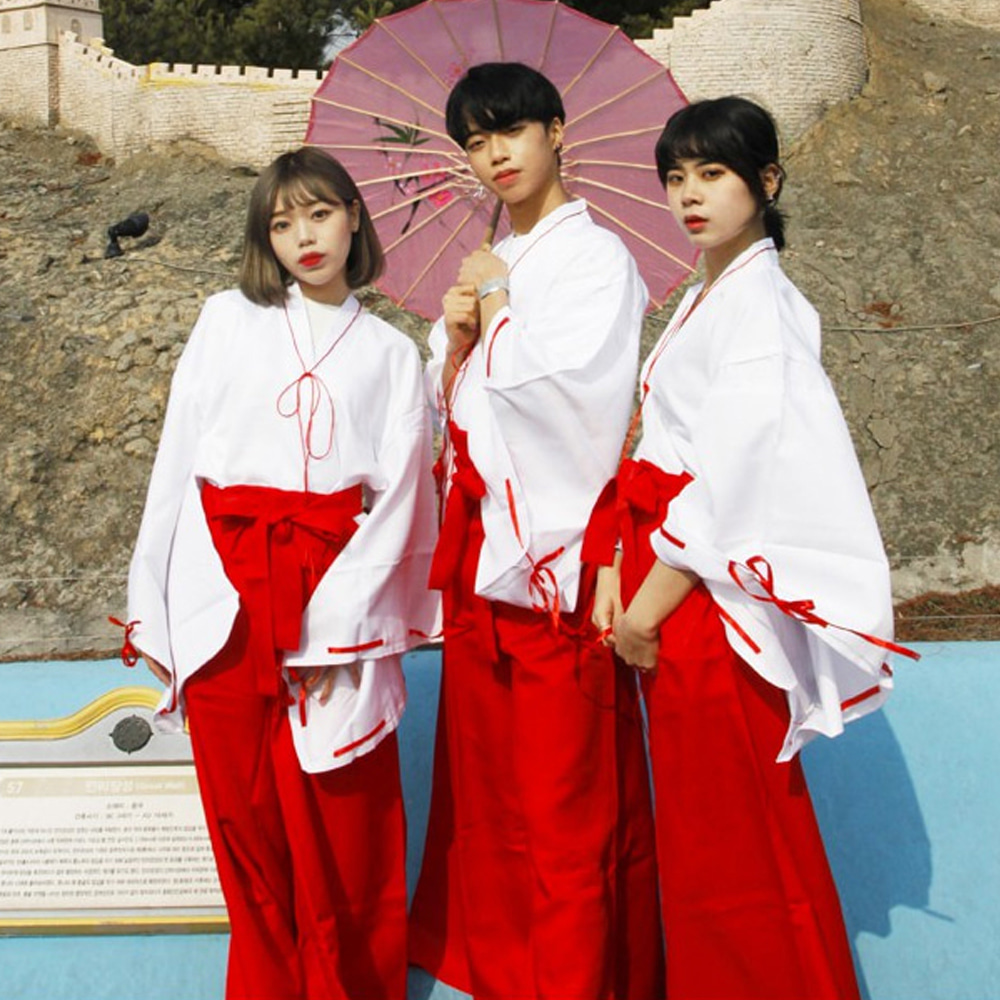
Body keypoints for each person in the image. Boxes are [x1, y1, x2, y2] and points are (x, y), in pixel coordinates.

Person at [598, 96, 917, 1000]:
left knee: (735, 830)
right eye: (676, 177)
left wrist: (645, 610)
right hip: (668, 570)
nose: (689, 195)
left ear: (766, 180)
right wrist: (621, 568)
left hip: (702, 596)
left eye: (714, 173)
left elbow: (730, 481)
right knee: (703, 830)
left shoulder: (763, 308)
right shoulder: (711, 295)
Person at [115, 147, 438, 1000]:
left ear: (355, 216)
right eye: (283, 222)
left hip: (336, 590)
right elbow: (178, 460)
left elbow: (405, 500)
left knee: (344, 821)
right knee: (246, 820)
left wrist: (342, 627)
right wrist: (155, 601)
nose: (305, 237)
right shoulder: (227, 318)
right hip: (225, 588)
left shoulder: (393, 354)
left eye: (320, 213)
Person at [408, 62, 664, 1000]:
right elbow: (460, 417)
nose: (495, 156)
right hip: (482, 558)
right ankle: (507, 975)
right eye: (475, 142)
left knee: (567, 802)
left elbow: (575, 403)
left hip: (552, 562)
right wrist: (456, 344)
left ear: (557, 130)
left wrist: (500, 305)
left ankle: (577, 980)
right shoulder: (498, 261)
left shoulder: (597, 259)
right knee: (490, 795)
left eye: (511, 131)